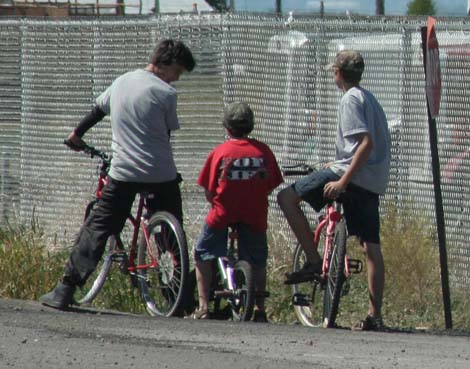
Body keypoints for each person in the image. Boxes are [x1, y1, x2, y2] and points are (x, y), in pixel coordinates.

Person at [39, 39, 196, 310]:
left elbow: (97, 111)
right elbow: (166, 134)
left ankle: (65, 289)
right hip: (161, 173)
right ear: (166, 63)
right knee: (171, 232)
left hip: (124, 172)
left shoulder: (121, 82)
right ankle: (177, 298)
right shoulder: (167, 94)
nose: (176, 79)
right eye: (177, 72)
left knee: (99, 227)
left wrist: (76, 135)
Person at [277, 50, 391, 331]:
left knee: (287, 197)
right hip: (372, 180)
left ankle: (314, 260)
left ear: (338, 73)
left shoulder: (350, 98)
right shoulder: (370, 99)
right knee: (370, 246)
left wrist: (342, 179)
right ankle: (374, 316)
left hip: (351, 175)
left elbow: (364, 144)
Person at [189, 102, 283, 322]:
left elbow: (209, 190)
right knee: (257, 258)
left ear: (227, 127)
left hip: (223, 213)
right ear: (251, 126)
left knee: (202, 251)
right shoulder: (263, 151)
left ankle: (203, 306)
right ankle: (259, 307)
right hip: (255, 213)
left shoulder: (220, 152)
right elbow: (271, 183)